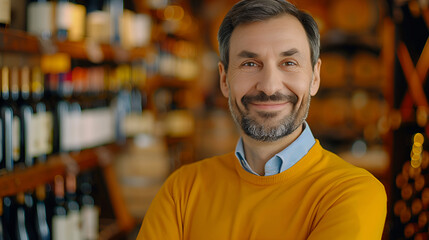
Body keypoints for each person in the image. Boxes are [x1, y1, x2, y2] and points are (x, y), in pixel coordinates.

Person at [137, 0, 387, 239]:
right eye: (249, 63)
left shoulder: (352, 192)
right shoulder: (182, 190)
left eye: (289, 62)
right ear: (224, 80)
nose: (269, 86)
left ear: (315, 78)